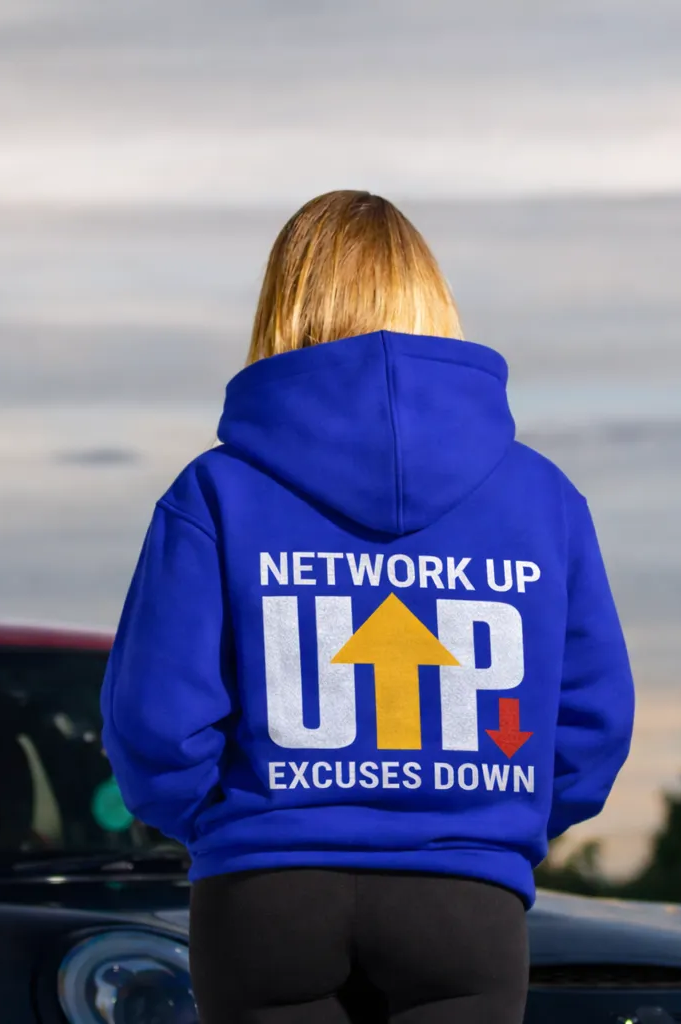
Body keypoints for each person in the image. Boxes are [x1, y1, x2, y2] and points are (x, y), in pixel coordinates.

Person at [101, 190, 636, 1024]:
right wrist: (493, 818)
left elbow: (155, 722)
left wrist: (229, 823)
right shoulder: (544, 500)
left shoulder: (216, 492)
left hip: (264, 897)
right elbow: (591, 724)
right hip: (466, 903)